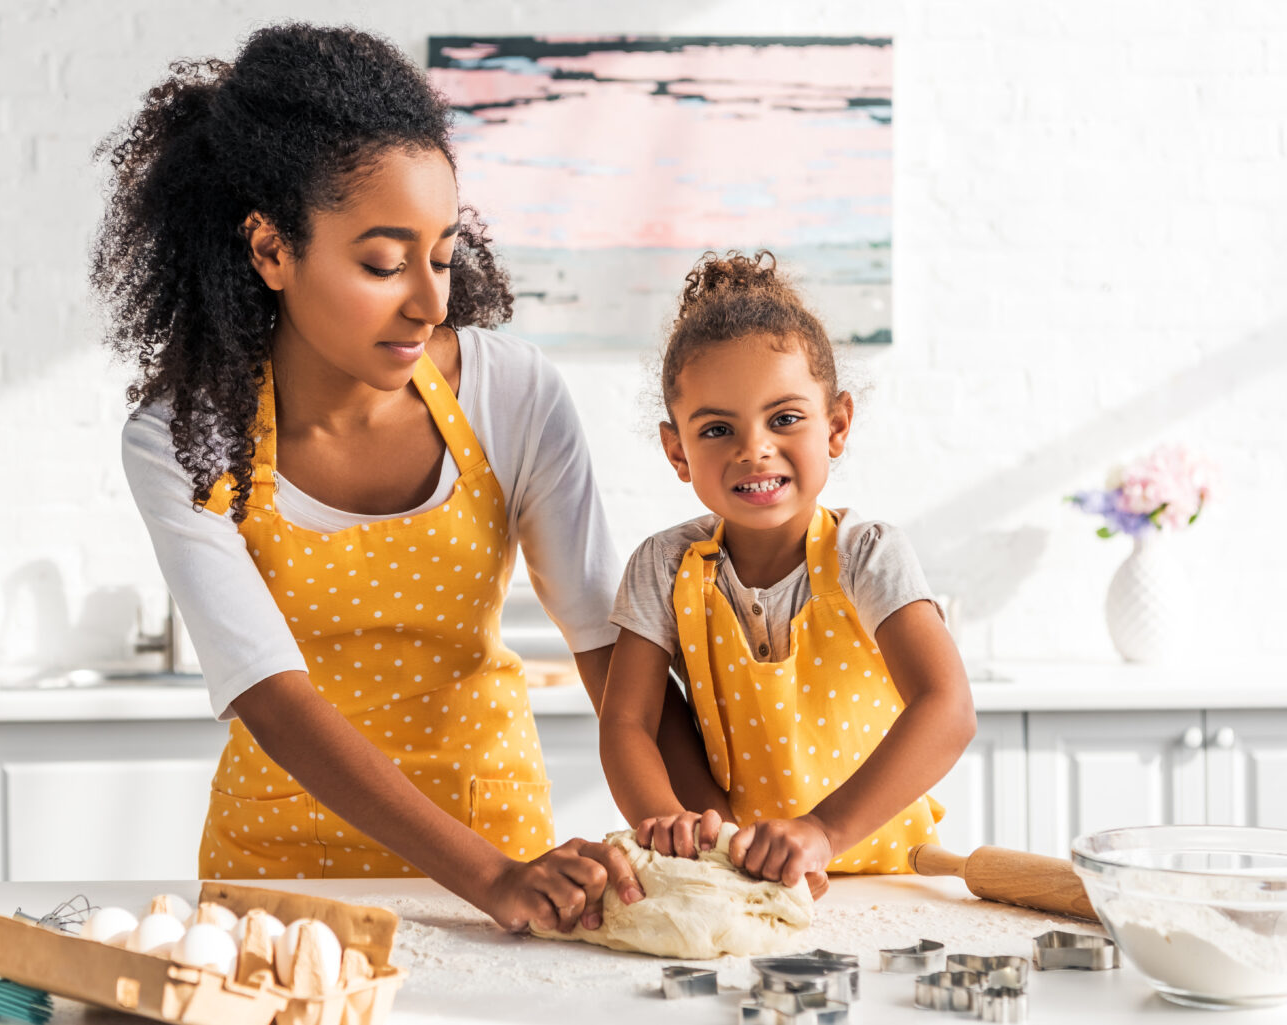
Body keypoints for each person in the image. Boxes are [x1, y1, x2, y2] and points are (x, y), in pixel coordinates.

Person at [95, 22, 715, 935]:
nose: (429, 301)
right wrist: (491, 876)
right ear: (270, 250)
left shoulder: (515, 395)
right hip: (284, 886)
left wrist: (714, 832)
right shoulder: (182, 440)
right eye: (384, 264)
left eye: (440, 255)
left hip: (506, 860)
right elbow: (274, 696)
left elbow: (607, 649)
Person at [599, 251, 977, 899]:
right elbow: (627, 721)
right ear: (676, 452)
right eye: (717, 428)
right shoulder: (662, 567)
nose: (754, 448)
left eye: (785, 418)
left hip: (882, 879)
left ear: (837, 425)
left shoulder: (867, 554)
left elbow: (948, 709)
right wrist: (664, 821)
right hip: (746, 880)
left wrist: (824, 831)